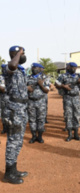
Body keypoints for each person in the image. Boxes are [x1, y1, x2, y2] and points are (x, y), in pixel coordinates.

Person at [2, 46, 29, 184]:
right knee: (13, 141)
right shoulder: (8, 68)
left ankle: (13, 170)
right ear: (14, 54)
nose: (23, 55)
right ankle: (8, 173)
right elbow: (12, 65)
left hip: (22, 109)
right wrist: (19, 52)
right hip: (13, 110)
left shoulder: (20, 71)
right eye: (20, 53)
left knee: (18, 141)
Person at [55, 62, 80, 141]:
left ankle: (76, 134)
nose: (74, 69)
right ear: (69, 68)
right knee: (68, 116)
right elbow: (56, 84)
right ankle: (70, 134)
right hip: (67, 97)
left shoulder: (79, 76)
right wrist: (63, 86)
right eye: (72, 67)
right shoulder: (63, 76)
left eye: (75, 68)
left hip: (76, 98)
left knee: (77, 116)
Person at [27, 63, 50, 144]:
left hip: (41, 101)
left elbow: (46, 90)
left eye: (35, 67)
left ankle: (40, 136)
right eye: (32, 67)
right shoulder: (27, 77)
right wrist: (27, 88)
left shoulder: (45, 78)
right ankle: (33, 136)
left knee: (41, 119)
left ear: (40, 69)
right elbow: (23, 88)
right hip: (30, 101)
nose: (33, 69)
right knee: (32, 119)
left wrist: (41, 85)